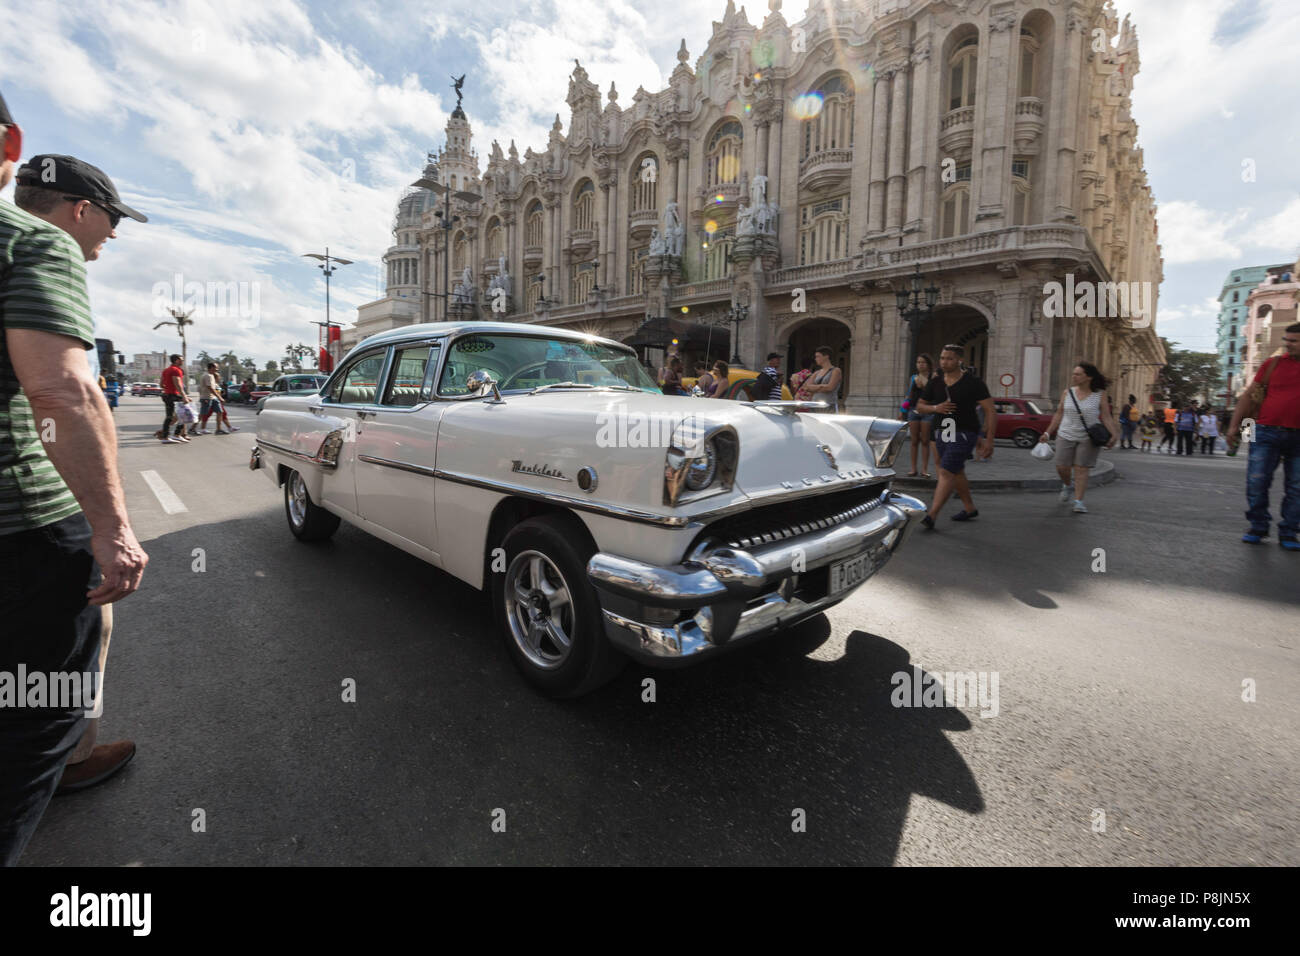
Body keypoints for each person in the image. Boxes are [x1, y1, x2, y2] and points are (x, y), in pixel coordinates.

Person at [1, 105, 149, 865]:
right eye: (111, 221)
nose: (111, 239)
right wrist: (113, 528)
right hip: (22, 521)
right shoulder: (38, 243)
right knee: (37, 709)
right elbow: (63, 393)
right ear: (80, 210)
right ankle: (62, 759)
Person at [1226, 323, 1300, 550]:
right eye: (1286, 340)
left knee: (1297, 488)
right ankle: (1258, 525)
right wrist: (1233, 427)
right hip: (1265, 431)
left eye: (1293, 341)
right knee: (1256, 481)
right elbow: (1249, 396)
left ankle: (1288, 531)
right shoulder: (1273, 364)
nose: (1287, 344)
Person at [915, 344, 996, 528]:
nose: (944, 362)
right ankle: (969, 508)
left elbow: (990, 411)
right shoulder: (936, 382)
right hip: (941, 430)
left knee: (946, 470)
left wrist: (989, 440)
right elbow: (920, 406)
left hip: (965, 431)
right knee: (954, 469)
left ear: (960, 360)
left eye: (949, 358)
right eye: (942, 358)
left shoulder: (974, 383)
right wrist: (936, 408)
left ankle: (932, 515)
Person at [1039, 362, 1119, 513]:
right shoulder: (1067, 393)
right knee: (1061, 466)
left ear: (1088, 377)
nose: (1073, 377)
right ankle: (1067, 485)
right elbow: (1059, 414)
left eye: (1077, 374)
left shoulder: (1100, 394)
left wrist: (1114, 434)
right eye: (1073, 373)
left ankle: (1079, 501)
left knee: (1081, 469)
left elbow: (1106, 417)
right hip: (1065, 434)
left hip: (1088, 437)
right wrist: (1048, 432)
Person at [902, 353, 935, 477]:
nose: (920, 364)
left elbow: (933, 393)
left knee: (925, 440)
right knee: (914, 440)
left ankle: (925, 469)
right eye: (918, 362)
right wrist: (902, 410)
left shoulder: (934, 377)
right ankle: (913, 468)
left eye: (923, 362)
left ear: (928, 364)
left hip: (927, 411)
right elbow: (909, 395)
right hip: (913, 411)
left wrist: (925, 383)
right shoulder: (913, 378)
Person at [155, 353, 191, 442]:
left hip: (166, 395)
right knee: (184, 414)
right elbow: (178, 384)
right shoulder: (176, 370)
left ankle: (165, 436)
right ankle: (176, 434)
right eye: (181, 360)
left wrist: (168, 388)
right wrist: (184, 396)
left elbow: (161, 384)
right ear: (176, 360)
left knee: (169, 416)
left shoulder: (166, 370)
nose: (182, 361)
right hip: (174, 395)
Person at [197, 362, 235, 434]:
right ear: (211, 368)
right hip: (207, 398)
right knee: (203, 414)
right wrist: (219, 397)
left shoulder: (210, 376)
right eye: (216, 367)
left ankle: (219, 429)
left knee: (220, 412)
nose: (217, 369)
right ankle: (196, 428)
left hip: (212, 398)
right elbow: (210, 388)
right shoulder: (208, 376)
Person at [803, 345, 842, 412]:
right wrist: (822, 386)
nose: (816, 359)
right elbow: (806, 387)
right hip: (814, 405)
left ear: (826, 356)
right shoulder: (817, 373)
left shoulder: (836, 370)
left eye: (818, 356)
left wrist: (814, 388)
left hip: (828, 405)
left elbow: (830, 388)